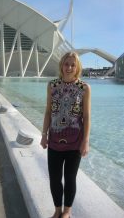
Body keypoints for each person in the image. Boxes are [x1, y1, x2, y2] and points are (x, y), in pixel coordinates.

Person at [40, 51, 91, 218]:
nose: (69, 67)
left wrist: (86, 140)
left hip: (75, 142)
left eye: (72, 64)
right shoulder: (52, 86)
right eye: (66, 64)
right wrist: (44, 134)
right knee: (55, 179)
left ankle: (67, 212)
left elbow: (86, 116)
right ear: (61, 65)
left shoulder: (84, 88)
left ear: (77, 67)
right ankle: (57, 210)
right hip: (54, 140)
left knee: (70, 178)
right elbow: (48, 112)